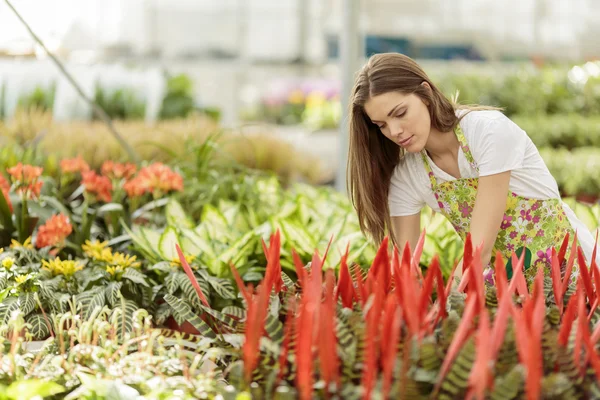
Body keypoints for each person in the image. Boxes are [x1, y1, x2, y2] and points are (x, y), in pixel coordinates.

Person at [346, 52, 599, 285]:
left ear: (425, 93)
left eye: (400, 113)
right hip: (506, 291)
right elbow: (405, 270)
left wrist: (446, 306)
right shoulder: (408, 176)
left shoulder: (488, 131)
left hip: (573, 275)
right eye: (381, 125)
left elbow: (480, 251)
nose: (394, 131)